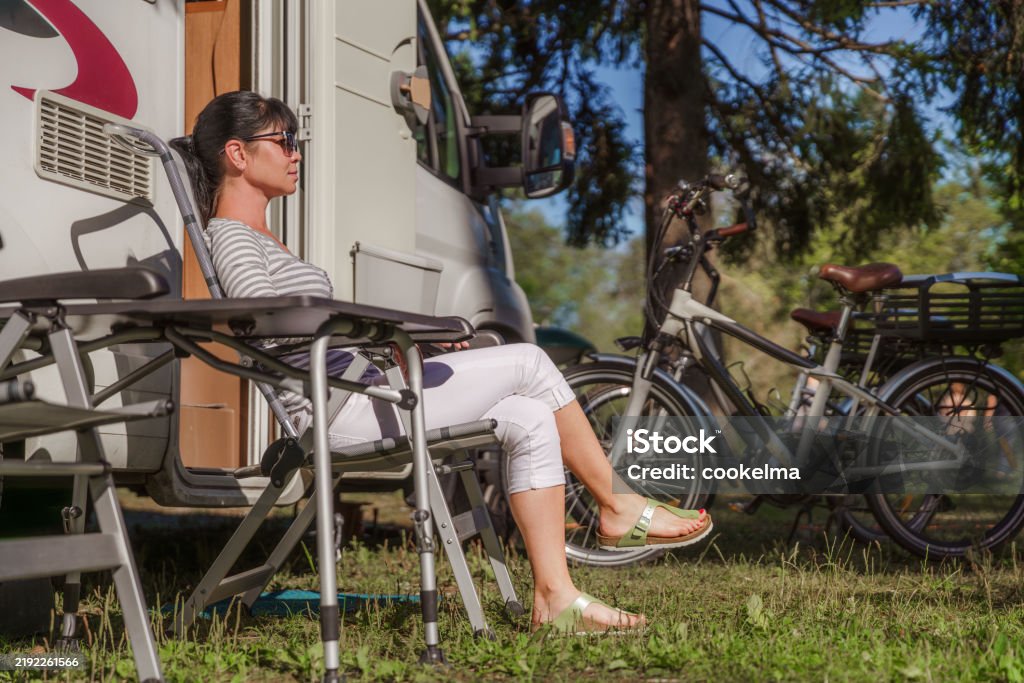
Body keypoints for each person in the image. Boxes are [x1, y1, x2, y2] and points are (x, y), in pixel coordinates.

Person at [172, 90, 713, 634]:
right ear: (238, 154)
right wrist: (391, 330)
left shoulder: (268, 240)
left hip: (367, 391)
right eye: (284, 140)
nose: (296, 152)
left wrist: (409, 341)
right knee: (527, 361)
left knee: (527, 415)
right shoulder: (233, 236)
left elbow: (305, 323)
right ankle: (617, 506)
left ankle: (555, 597)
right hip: (339, 412)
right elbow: (262, 321)